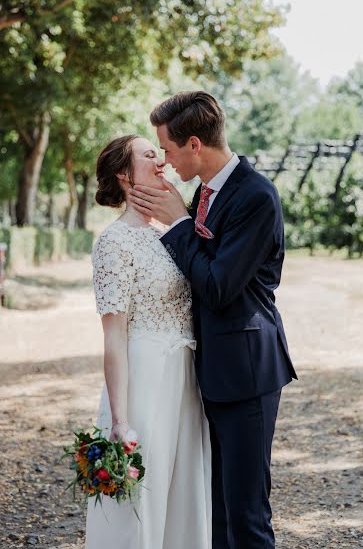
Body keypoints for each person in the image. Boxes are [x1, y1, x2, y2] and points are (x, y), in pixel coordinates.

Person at [129, 91, 298, 549]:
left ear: (195, 145)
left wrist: (179, 224)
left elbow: (220, 287)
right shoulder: (206, 191)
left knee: (247, 514)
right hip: (210, 371)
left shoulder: (256, 195)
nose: (164, 161)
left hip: (247, 371)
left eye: (166, 149)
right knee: (216, 511)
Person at [85, 134, 211, 549]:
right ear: (124, 175)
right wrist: (120, 419)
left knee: (184, 492)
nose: (161, 162)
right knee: (142, 497)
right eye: (148, 155)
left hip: (184, 377)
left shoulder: (172, 231)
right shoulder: (113, 242)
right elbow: (115, 335)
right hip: (144, 378)